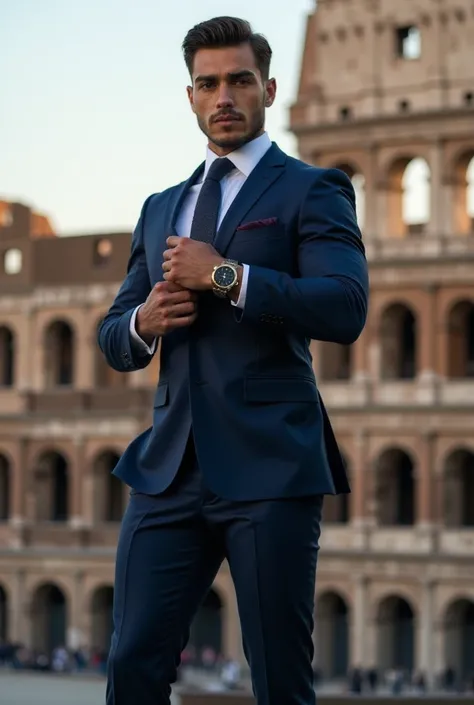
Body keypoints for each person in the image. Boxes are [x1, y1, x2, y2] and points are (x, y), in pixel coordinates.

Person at [98, 15, 369, 705]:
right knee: (130, 665)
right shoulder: (162, 207)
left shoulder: (312, 188)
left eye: (239, 80)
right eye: (208, 83)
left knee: (279, 679)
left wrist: (228, 277)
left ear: (269, 89)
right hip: (168, 471)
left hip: (270, 468)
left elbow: (344, 306)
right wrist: (142, 321)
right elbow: (113, 333)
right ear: (191, 96)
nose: (224, 96)